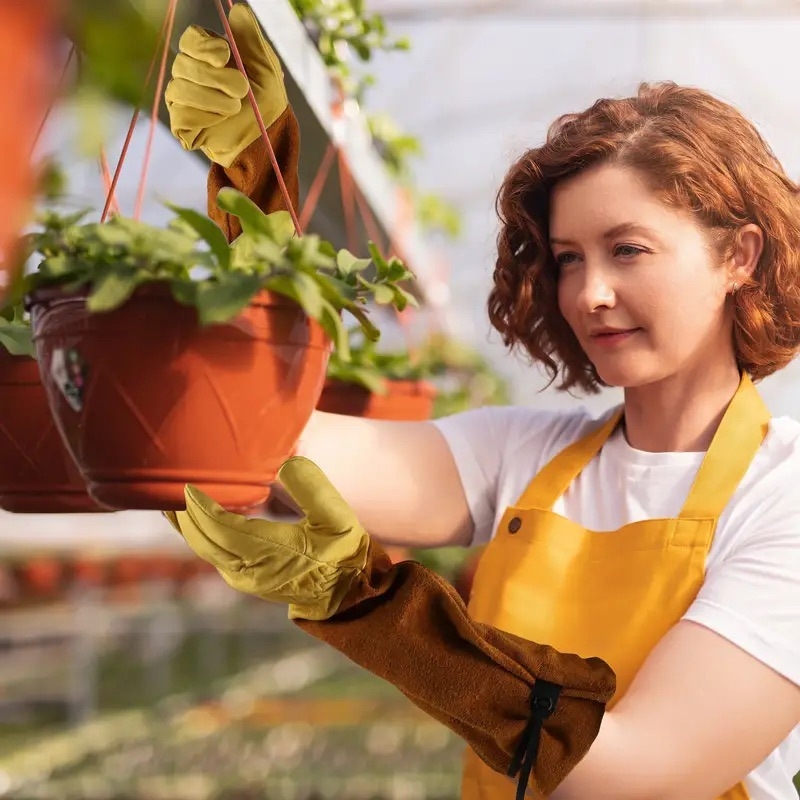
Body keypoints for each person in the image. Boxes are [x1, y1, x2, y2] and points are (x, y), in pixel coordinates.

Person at [166, 6, 800, 799]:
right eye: (569, 259)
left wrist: (378, 615)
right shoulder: (525, 456)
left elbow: (633, 775)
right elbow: (267, 449)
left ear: (738, 255)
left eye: (628, 249)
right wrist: (255, 196)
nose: (590, 293)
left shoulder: (783, 495)